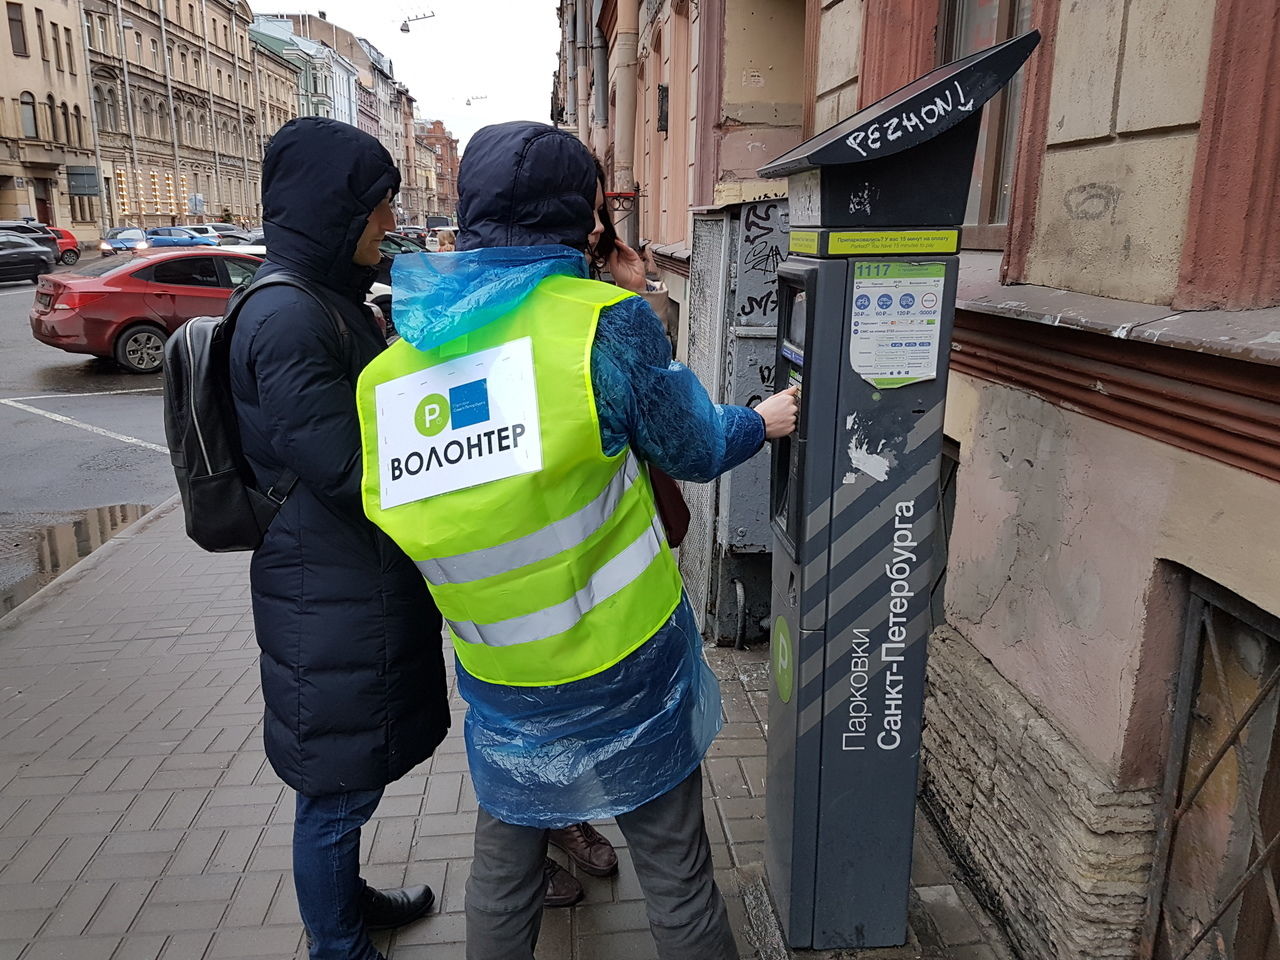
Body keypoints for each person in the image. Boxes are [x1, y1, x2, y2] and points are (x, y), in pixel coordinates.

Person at [356, 120, 798, 960]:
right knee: (674, 870)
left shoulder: (390, 374)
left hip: (502, 674)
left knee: (505, 860)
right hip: (625, 661)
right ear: (585, 220)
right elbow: (695, 447)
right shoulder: (603, 324)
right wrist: (760, 420)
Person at [229, 117, 451, 960]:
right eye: (379, 208)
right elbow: (352, 469)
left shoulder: (320, 300)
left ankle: (347, 904)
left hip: (339, 581)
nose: (391, 222)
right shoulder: (288, 316)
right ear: (334, 213)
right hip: (324, 590)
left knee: (346, 776)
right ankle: (337, 943)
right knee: (333, 791)